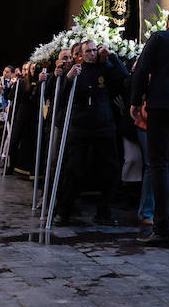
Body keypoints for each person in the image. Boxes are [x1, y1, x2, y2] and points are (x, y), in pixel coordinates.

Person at [130, 10, 169, 246]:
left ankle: (162, 228)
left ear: (167, 23)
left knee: (158, 166)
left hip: (160, 107)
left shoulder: (159, 38)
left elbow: (141, 70)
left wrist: (136, 102)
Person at [55, 40, 128, 225]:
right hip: (80, 128)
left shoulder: (105, 68)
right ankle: (64, 211)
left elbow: (124, 78)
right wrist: (68, 79)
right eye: (88, 51)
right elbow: (61, 99)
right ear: (80, 54)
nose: (93, 54)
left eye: (95, 50)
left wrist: (111, 55)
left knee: (110, 171)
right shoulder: (75, 72)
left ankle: (104, 211)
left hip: (104, 127)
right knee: (74, 170)